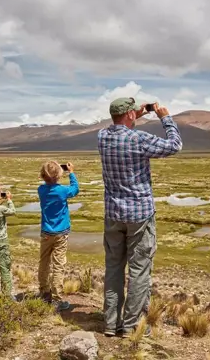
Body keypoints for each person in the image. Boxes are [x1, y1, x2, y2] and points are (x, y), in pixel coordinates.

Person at [98, 97, 182, 337]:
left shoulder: (102, 137)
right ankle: (132, 325)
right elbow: (175, 145)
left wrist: (138, 113)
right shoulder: (139, 139)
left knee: (113, 268)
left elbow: (121, 124)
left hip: (113, 213)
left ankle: (111, 324)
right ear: (131, 115)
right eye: (133, 113)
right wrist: (164, 117)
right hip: (139, 215)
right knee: (139, 270)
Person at [37, 161, 80, 311]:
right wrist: (72, 173)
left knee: (44, 262)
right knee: (58, 265)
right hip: (61, 233)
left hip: (46, 233)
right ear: (59, 175)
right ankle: (57, 299)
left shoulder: (41, 190)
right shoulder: (62, 191)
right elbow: (75, 190)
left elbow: (48, 185)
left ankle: (44, 293)